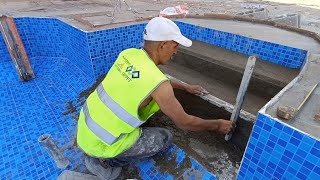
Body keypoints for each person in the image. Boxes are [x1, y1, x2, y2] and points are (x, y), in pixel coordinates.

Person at [76, 17, 234, 179]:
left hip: (85, 128)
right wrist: (217, 125)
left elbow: (149, 79)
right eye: (175, 46)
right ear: (163, 45)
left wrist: (186, 87)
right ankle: (104, 162)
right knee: (165, 138)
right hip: (103, 145)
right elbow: (184, 122)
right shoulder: (159, 85)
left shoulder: (128, 54)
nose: (175, 51)